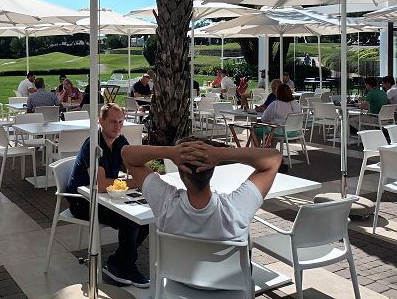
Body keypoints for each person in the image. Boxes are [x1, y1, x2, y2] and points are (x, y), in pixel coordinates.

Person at [121, 138, 281, 243]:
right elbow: (274, 158)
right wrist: (220, 153)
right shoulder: (236, 208)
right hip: (232, 291)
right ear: (212, 169)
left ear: (182, 173)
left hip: (178, 289)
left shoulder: (165, 203)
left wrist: (170, 152)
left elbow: (127, 154)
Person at [66, 103, 149, 288]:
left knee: (147, 218)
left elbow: (134, 166)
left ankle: (118, 262)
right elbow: (102, 185)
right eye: (113, 121)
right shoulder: (93, 145)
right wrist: (136, 183)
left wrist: (149, 177)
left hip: (105, 198)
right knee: (132, 220)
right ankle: (125, 266)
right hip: (83, 201)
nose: (117, 126)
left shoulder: (120, 141)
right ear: (101, 121)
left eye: (121, 122)